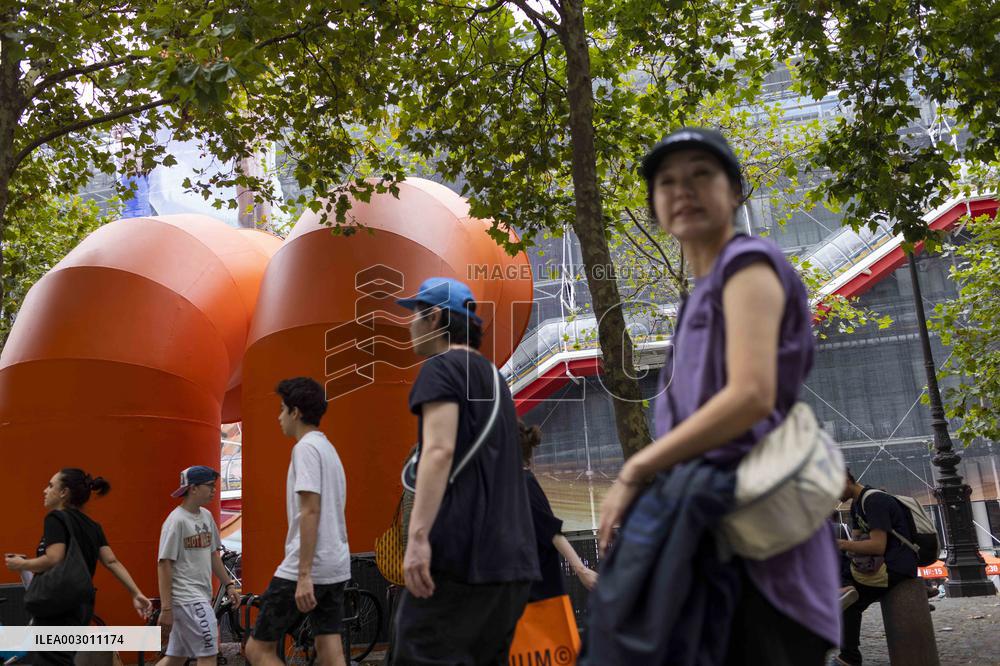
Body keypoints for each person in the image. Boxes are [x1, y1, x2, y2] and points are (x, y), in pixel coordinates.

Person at [588, 128, 840, 665]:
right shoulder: (699, 295)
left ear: (735, 191)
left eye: (702, 173)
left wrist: (635, 472)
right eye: (668, 181)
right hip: (717, 541)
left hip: (761, 550)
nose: (684, 189)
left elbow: (751, 395)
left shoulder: (747, 264)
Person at [392, 277, 539, 665]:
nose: (409, 324)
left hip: (460, 559)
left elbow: (439, 451)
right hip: (511, 564)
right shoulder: (495, 379)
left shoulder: (439, 368)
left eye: (415, 315)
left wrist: (418, 537)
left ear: (436, 317)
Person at [245, 377, 351, 666]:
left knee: (257, 650)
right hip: (336, 564)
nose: (278, 417)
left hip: (306, 568)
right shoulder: (329, 450)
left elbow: (310, 510)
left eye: (282, 409)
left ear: (296, 412)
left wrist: (304, 575)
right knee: (330, 649)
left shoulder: (304, 448)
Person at [4, 469, 153, 666]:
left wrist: (21, 564)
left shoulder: (55, 518)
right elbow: (111, 562)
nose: (44, 490)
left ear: (64, 492)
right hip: (81, 606)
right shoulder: (93, 526)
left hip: (57, 604)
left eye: (50, 486)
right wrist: (135, 593)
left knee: (51, 660)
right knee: (59, 659)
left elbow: (54, 558)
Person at [156, 465, 240, 666]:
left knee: (176, 657)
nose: (214, 490)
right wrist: (166, 608)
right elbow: (164, 564)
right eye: (210, 486)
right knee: (208, 655)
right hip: (189, 600)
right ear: (193, 488)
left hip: (196, 598)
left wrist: (229, 584)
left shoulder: (206, 516)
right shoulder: (176, 521)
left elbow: (213, 555)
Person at [834, 470, 918, 666]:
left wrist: (841, 544)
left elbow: (877, 545)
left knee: (848, 603)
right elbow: (857, 541)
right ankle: (848, 657)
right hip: (879, 561)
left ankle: (849, 658)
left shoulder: (874, 501)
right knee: (848, 601)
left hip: (895, 565)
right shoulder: (857, 505)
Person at [518, 421, 598, 599]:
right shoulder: (516, 483)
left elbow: (551, 529)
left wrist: (581, 570)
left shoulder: (523, 483)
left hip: (536, 593)